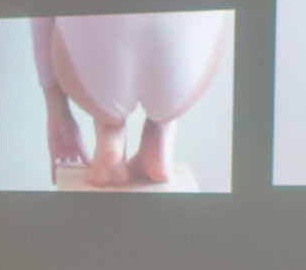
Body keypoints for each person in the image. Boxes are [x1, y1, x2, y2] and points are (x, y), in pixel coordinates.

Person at [30, 11, 231, 187]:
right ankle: (161, 133)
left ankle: (109, 134)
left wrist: (58, 113)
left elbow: (41, 11)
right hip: (186, 67)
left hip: (93, 66)